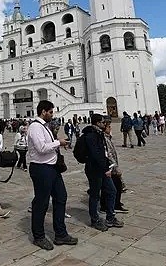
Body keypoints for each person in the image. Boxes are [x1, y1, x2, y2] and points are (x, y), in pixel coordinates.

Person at [27, 100, 76, 251]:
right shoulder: (35, 127)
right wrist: (58, 143)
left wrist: (59, 143)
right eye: (51, 112)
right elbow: (41, 148)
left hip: (52, 167)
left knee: (61, 197)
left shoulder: (44, 127)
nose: (52, 115)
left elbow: (48, 145)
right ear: (43, 111)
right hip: (41, 169)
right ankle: (39, 236)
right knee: (41, 202)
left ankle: (60, 234)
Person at [83, 114, 124, 231]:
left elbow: (104, 152)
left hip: (103, 169)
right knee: (95, 195)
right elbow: (96, 154)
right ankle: (94, 220)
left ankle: (110, 217)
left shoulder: (99, 134)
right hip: (94, 170)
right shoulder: (91, 135)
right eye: (102, 122)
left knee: (112, 191)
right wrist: (106, 168)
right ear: (97, 123)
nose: (104, 123)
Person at [101, 119, 128, 214]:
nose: (110, 128)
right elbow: (109, 154)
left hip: (111, 166)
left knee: (111, 186)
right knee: (115, 186)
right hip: (110, 167)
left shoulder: (108, 137)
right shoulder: (105, 139)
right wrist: (115, 168)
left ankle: (111, 204)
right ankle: (110, 205)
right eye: (109, 127)